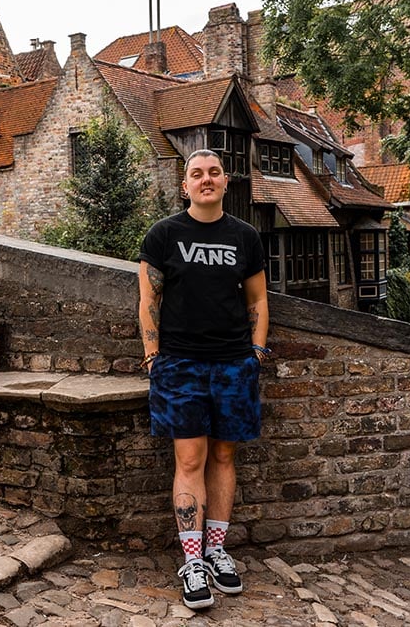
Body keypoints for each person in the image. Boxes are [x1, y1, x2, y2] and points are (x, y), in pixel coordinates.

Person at [137, 148, 270, 610]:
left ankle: (217, 551)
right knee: (189, 459)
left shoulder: (245, 237)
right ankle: (192, 561)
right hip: (180, 364)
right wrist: (153, 356)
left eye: (214, 172)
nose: (206, 179)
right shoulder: (163, 235)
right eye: (197, 174)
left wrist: (255, 353)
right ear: (186, 184)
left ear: (225, 181)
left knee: (225, 455)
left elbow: (257, 300)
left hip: (234, 363)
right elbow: (148, 299)